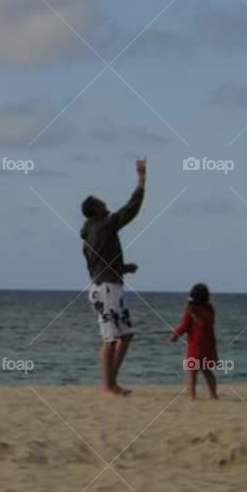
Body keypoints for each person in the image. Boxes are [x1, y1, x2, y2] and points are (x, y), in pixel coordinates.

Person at [80, 158, 146, 396]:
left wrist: (123, 268)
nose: (105, 203)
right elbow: (131, 209)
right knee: (110, 338)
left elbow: (98, 264)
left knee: (125, 335)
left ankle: (112, 381)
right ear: (96, 210)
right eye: (101, 202)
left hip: (106, 286)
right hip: (106, 289)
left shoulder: (90, 234)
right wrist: (141, 180)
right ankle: (108, 385)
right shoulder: (104, 225)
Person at [170, 283, 218, 400]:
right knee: (207, 371)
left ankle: (192, 396)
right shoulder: (209, 310)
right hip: (208, 345)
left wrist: (174, 335)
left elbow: (184, 326)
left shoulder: (191, 310)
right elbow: (210, 327)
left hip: (195, 346)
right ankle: (213, 394)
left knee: (192, 372)